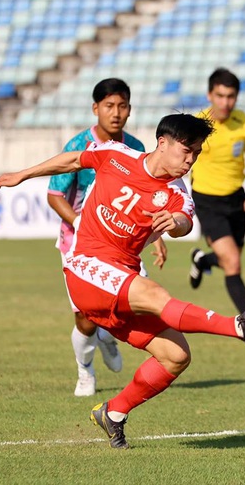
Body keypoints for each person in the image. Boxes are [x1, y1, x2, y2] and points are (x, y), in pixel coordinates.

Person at [0, 113, 245, 450]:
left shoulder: (178, 193)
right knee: (153, 293)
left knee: (175, 355)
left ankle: (114, 413)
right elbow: (74, 160)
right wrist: (22, 174)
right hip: (85, 266)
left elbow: (184, 222)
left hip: (121, 278)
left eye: (196, 153)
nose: (190, 160)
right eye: (186, 150)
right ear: (162, 144)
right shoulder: (117, 155)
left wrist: (175, 222)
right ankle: (238, 326)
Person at [47, 77, 168, 397]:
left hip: (119, 243)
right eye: (109, 106)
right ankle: (85, 371)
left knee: (130, 306)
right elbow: (55, 195)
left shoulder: (136, 148)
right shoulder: (79, 146)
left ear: (130, 110)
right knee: (86, 321)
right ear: (95, 108)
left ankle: (107, 334)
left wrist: (156, 238)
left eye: (122, 106)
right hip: (78, 243)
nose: (115, 112)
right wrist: (81, 222)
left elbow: (147, 198)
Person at [188, 68, 245, 315]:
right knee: (233, 262)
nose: (225, 102)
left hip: (236, 200)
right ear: (210, 95)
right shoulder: (198, 125)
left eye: (231, 96)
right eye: (220, 95)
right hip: (207, 200)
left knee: (229, 259)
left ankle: (202, 260)